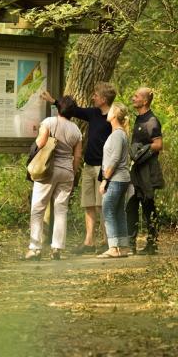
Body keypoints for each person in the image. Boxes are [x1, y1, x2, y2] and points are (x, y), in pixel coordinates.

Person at [41, 82, 116, 254]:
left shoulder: (113, 117)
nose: (93, 97)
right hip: (89, 166)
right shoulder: (94, 113)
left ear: (104, 99)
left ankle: (107, 242)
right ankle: (89, 242)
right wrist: (53, 101)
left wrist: (109, 170)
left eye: (96, 95)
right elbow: (73, 110)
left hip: (103, 169)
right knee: (89, 204)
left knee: (102, 206)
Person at [25, 96, 82, 260]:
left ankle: (35, 248)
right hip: (67, 172)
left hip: (48, 170)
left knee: (38, 208)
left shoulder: (49, 122)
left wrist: (37, 139)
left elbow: (42, 143)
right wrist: (72, 171)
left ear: (59, 109)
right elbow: (77, 156)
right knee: (61, 209)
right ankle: (57, 248)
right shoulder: (76, 130)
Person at [126, 87, 164, 255]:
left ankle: (152, 244)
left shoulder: (152, 120)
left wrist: (142, 150)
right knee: (132, 205)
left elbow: (158, 144)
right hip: (137, 170)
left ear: (145, 101)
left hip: (148, 170)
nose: (133, 98)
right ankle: (131, 243)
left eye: (136, 96)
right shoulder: (139, 119)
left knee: (148, 205)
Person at [97, 102, 131, 258]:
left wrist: (105, 180)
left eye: (110, 111)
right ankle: (123, 247)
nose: (107, 113)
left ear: (116, 114)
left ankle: (113, 247)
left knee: (108, 210)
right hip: (121, 179)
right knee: (118, 212)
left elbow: (115, 158)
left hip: (116, 179)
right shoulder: (119, 133)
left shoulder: (118, 134)